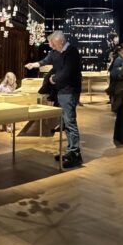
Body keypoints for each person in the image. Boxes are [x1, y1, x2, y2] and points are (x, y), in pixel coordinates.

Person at [25, 30, 83, 168]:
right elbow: (46, 60)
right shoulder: (56, 51)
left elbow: (68, 71)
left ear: (60, 41)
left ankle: (75, 154)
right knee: (65, 123)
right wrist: (34, 65)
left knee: (70, 122)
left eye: (52, 43)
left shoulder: (71, 52)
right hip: (62, 91)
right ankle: (70, 151)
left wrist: (54, 79)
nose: (50, 45)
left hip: (69, 91)